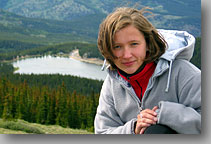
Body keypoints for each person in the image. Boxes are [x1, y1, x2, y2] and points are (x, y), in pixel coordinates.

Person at [94, 7, 201, 134]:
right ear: (108, 50)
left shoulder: (184, 73)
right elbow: (102, 132)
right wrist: (133, 129)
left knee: (157, 131)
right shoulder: (112, 82)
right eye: (117, 47)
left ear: (148, 44)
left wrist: (162, 114)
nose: (127, 55)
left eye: (134, 44)